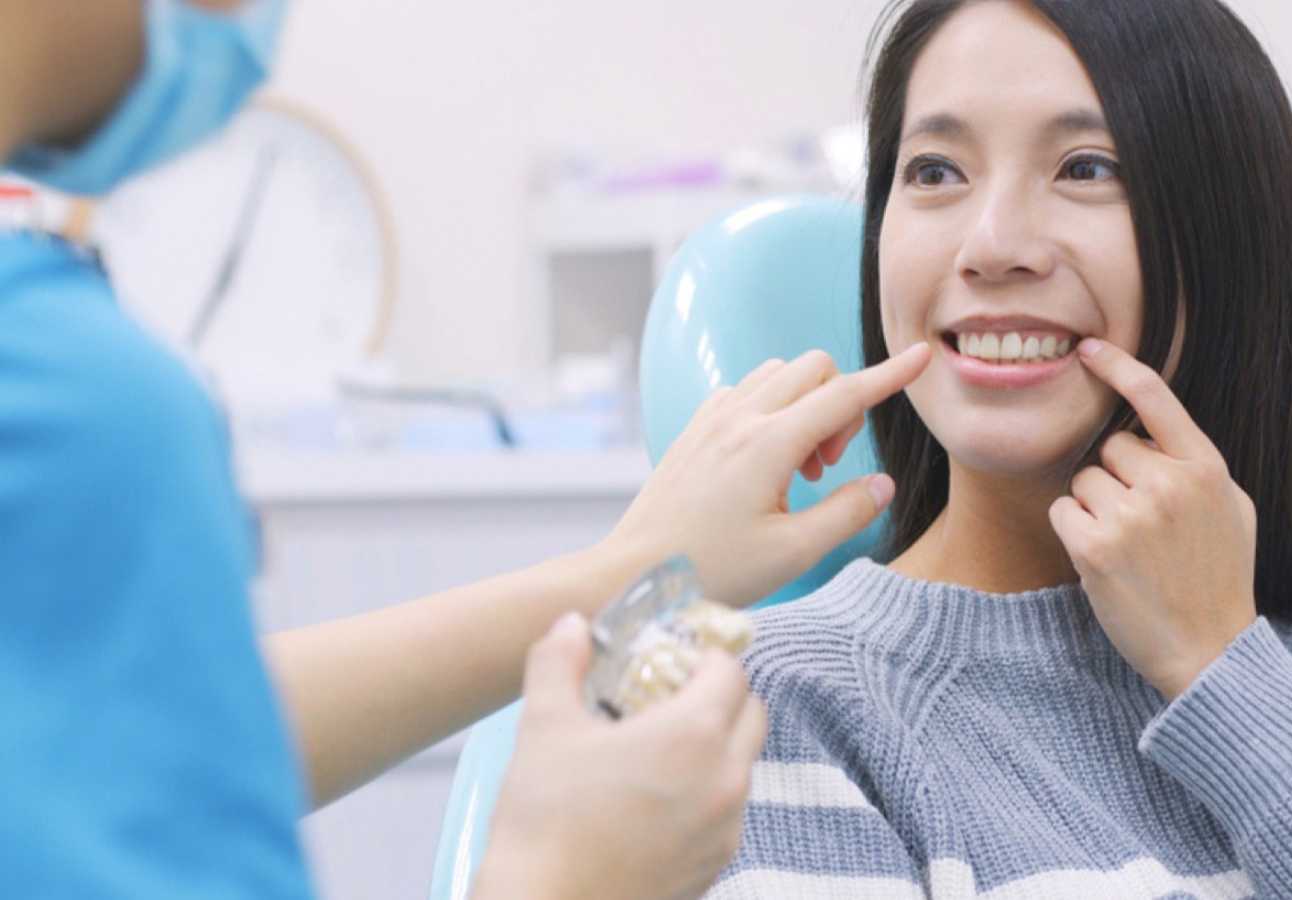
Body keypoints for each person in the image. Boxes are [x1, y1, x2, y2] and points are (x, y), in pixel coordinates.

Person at [0, 2, 934, 897]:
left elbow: (153, 732)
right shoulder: (74, 405)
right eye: (934, 172)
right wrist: (561, 881)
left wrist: (634, 571)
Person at [707, 1, 1292, 897]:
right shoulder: (778, 705)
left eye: (1086, 167)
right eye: (935, 171)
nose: (991, 246)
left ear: (1232, 240)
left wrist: (1227, 675)